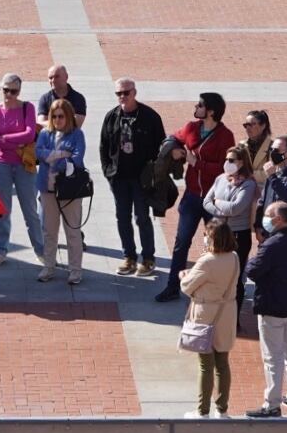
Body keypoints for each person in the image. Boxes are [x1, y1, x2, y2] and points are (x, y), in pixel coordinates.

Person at [156, 93, 236, 303]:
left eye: (200, 105)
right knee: (181, 242)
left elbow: (224, 169)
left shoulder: (225, 136)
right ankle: (173, 286)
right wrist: (174, 148)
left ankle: (216, 287)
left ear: (210, 111)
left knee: (216, 244)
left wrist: (195, 163)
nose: (196, 107)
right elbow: (174, 136)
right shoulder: (192, 127)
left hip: (214, 199)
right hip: (192, 196)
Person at [242, 201, 287, 419]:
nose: (264, 220)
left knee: (272, 357)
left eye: (268, 215)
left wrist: (260, 248)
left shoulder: (271, 244)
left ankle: (271, 404)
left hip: (273, 307)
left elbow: (252, 269)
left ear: (278, 220)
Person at [99, 78, 165, 277]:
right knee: (122, 217)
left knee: (142, 217)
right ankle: (128, 257)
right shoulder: (112, 117)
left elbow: (160, 146)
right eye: (118, 93)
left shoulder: (149, 117)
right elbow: (103, 146)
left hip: (141, 179)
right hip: (119, 178)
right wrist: (108, 172)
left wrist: (153, 174)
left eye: (126, 93)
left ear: (134, 92)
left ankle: (148, 258)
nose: (122, 97)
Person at [180, 219, 239, 419]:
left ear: (213, 237)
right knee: (223, 362)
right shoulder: (235, 257)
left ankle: (202, 411)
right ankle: (222, 410)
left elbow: (187, 286)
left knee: (205, 364)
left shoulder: (207, 261)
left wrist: (184, 275)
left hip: (206, 313)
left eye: (207, 235)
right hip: (227, 313)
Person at [0, 73, 44, 268]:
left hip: (24, 165)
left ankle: (41, 249)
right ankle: (1, 249)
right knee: (3, 210)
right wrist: (15, 143)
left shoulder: (28, 108)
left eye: (14, 91)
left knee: (30, 210)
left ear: (19, 91)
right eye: (6, 90)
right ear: (0, 89)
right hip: (1, 165)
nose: (9, 94)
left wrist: (6, 140)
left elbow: (29, 135)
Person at [35, 100, 88, 284]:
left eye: (61, 116)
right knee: (49, 231)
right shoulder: (44, 133)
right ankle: (49, 266)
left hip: (69, 191)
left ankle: (75, 270)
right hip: (47, 190)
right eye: (54, 116)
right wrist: (62, 155)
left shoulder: (77, 135)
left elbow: (77, 159)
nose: (57, 120)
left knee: (72, 232)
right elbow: (39, 152)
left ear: (68, 116)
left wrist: (55, 159)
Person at [205, 144, 259, 322]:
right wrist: (221, 207)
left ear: (241, 162)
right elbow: (206, 201)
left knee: (235, 278)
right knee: (215, 274)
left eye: (231, 160)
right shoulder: (221, 178)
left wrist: (217, 202)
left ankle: (232, 319)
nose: (227, 163)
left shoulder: (248, 184)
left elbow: (236, 208)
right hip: (217, 233)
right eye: (226, 159)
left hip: (237, 236)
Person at [37, 64, 88, 128]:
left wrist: (50, 123)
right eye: (50, 78)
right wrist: (65, 121)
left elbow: (76, 124)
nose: (53, 80)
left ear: (66, 77)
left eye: (57, 76)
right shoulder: (45, 99)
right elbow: (40, 125)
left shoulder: (78, 98)